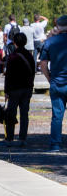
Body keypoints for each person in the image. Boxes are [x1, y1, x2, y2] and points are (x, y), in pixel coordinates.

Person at [39, 15, 67, 152]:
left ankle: (55, 144)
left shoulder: (50, 42)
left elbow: (43, 64)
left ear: (58, 27)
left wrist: (49, 78)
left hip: (57, 82)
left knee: (57, 115)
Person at [3, 32, 34, 147]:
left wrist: (6, 91)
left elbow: (9, 75)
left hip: (15, 89)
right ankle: (22, 138)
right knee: (24, 114)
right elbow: (33, 72)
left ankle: (9, 138)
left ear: (14, 43)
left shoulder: (13, 56)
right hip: (27, 88)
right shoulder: (29, 56)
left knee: (11, 113)